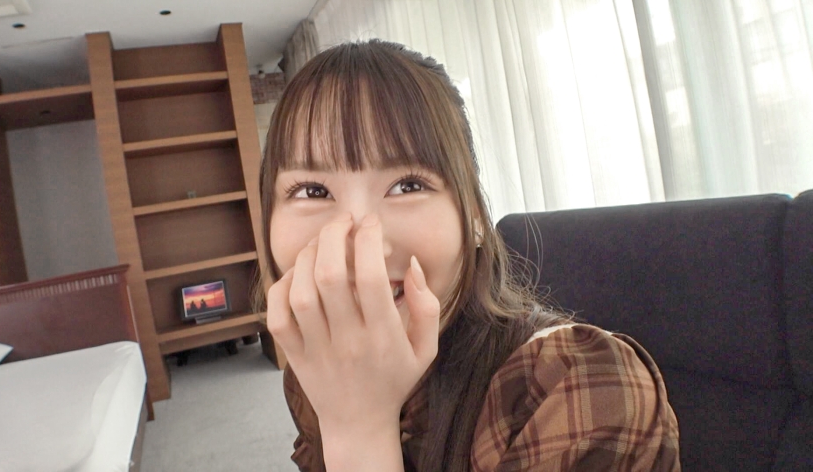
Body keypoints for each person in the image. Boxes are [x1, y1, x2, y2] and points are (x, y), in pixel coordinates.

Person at [260, 40, 680, 471]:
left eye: (407, 186)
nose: (355, 247)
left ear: (475, 216)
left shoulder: (580, 385)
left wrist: (359, 427)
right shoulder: (319, 363)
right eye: (312, 191)